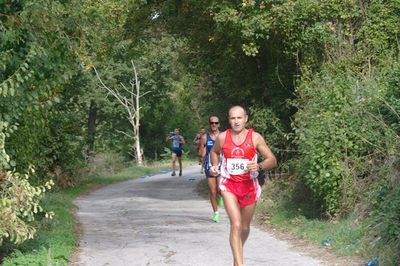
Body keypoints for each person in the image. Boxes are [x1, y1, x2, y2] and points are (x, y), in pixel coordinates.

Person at [209, 105, 277, 266]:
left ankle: (236, 255)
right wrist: (214, 166)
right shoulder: (223, 137)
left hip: (249, 185)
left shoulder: (255, 138)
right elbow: (214, 152)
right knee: (236, 223)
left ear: (246, 119)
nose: (236, 121)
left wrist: (259, 166)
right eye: (233, 118)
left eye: (239, 118)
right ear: (229, 120)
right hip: (229, 184)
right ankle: (240, 263)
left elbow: (272, 160)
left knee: (245, 227)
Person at [199, 116, 223, 222]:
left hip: (222, 165)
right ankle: (216, 213)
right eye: (212, 123)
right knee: (213, 191)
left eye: (216, 123)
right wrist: (202, 157)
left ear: (219, 124)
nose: (214, 124)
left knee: (220, 189)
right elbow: (202, 152)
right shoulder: (204, 137)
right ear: (209, 124)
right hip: (209, 165)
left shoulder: (223, 136)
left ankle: (221, 196)